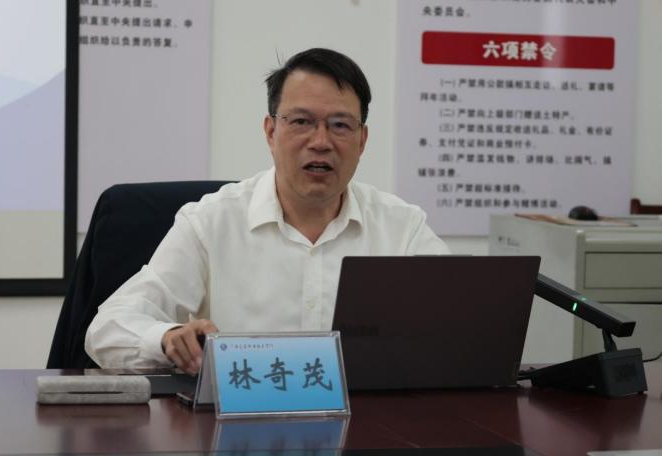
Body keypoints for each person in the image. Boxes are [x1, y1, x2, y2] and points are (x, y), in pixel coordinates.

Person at [85, 48, 450, 374]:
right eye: (301, 122)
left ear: (362, 141)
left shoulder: (403, 228)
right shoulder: (210, 222)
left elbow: (461, 326)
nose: (321, 142)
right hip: (237, 422)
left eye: (340, 125)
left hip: (370, 421)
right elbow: (108, 328)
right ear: (271, 132)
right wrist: (167, 338)